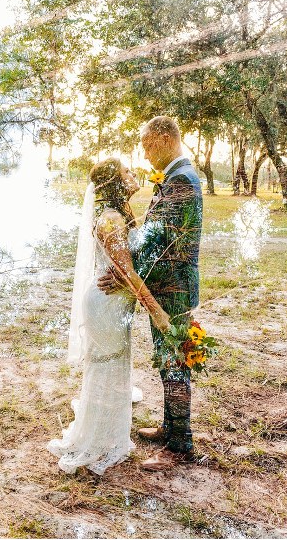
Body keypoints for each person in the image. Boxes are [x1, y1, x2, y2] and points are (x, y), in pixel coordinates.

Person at [47, 158, 171, 475]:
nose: (133, 175)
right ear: (113, 182)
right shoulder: (111, 219)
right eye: (127, 171)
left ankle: (107, 432)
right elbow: (126, 270)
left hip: (117, 301)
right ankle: (100, 439)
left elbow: (128, 265)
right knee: (108, 367)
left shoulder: (123, 214)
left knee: (114, 367)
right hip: (106, 304)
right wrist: (156, 311)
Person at [99, 116, 203, 471]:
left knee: (174, 363)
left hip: (173, 290)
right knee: (167, 361)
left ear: (162, 138)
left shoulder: (181, 181)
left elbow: (160, 244)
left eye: (146, 144)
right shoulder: (173, 178)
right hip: (164, 288)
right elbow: (150, 239)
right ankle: (171, 427)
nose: (144, 154)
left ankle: (180, 446)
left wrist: (124, 276)